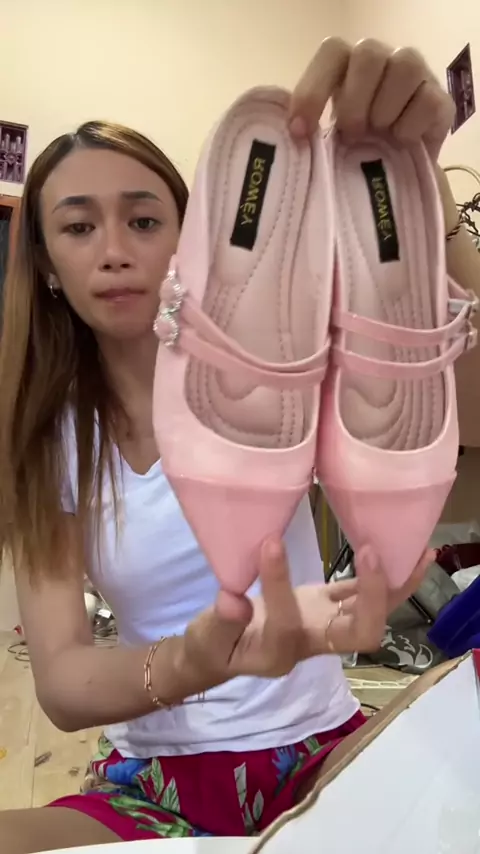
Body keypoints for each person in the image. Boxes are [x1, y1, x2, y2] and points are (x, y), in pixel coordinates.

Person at [0, 36, 476, 853]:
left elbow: (472, 405)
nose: (114, 250)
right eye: (78, 227)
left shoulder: (290, 375)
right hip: (156, 779)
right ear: (46, 263)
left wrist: (424, 176)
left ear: (188, 238)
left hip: (320, 751)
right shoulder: (50, 443)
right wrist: (194, 661)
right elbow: (65, 683)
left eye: (143, 220)